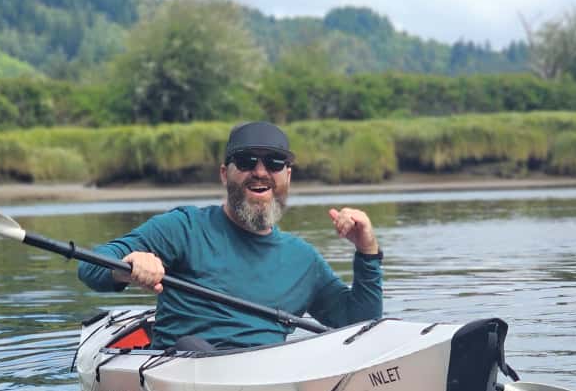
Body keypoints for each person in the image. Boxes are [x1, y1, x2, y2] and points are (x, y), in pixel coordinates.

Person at [78, 121, 383, 349]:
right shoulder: (183, 228)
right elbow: (90, 267)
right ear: (225, 173)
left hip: (267, 382)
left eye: (275, 162)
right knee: (193, 349)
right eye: (247, 161)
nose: (261, 171)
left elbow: (360, 323)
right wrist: (129, 265)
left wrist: (367, 251)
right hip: (185, 370)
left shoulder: (303, 260)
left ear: (287, 175)